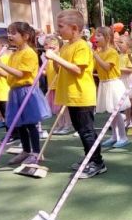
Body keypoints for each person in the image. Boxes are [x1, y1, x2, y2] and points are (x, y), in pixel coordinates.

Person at [45, 10, 105, 178]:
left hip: (82, 95)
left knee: (87, 131)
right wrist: (54, 59)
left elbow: (77, 70)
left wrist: (56, 58)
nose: (58, 30)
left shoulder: (82, 46)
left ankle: (97, 162)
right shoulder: (65, 46)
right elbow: (60, 69)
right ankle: (89, 157)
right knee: (80, 129)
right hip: (71, 96)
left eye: (60, 26)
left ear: (74, 28)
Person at [0, 21, 50, 167]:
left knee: (30, 123)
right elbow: (9, 75)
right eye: (8, 33)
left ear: (25, 36)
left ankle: (36, 153)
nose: (10, 36)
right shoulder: (14, 54)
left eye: (13, 33)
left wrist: (1, 64)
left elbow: (21, 74)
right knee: (20, 124)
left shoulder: (29, 53)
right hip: (15, 91)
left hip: (26, 91)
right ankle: (26, 150)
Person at [92, 26, 130, 148]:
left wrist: (95, 56)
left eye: (99, 35)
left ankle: (123, 137)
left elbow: (107, 67)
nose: (96, 38)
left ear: (107, 38)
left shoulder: (112, 52)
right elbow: (93, 68)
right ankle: (114, 136)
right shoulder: (99, 53)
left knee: (116, 112)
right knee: (110, 112)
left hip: (113, 84)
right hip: (104, 84)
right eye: (96, 35)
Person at [41, 35, 72, 135]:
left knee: (63, 108)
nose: (46, 47)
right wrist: (41, 72)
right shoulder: (46, 58)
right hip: (52, 86)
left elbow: (59, 69)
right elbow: (47, 72)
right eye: (45, 45)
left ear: (56, 46)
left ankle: (68, 125)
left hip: (59, 85)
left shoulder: (59, 56)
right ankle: (60, 125)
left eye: (49, 45)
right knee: (56, 108)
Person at [116, 33, 132, 128]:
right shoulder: (119, 55)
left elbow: (130, 70)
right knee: (125, 101)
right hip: (121, 80)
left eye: (121, 42)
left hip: (128, 80)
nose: (119, 44)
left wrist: (118, 69)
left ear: (128, 45)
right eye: (118, 42)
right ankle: (128, 119)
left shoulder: (129, 55)